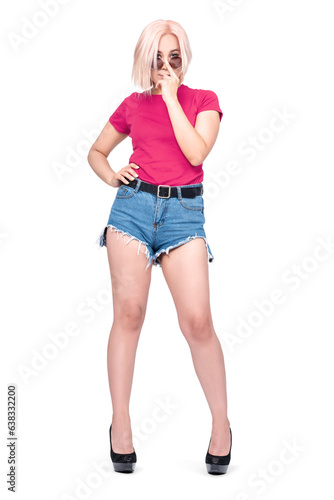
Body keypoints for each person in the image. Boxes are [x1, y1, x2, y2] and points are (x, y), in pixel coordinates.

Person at [87, 19, 232, 475]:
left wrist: (171, 99)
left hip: (184, 215)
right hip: (131, 209)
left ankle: (222, 425)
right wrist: (114, 176)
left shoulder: (203, 101)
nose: (166, 66)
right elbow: (96, 152)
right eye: (157, 58)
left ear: (183, 57)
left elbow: (195, 154)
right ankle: (121, 426)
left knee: (197, 322)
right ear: (146, 60)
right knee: (129, 314)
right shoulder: (132, 104)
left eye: (173, 57)